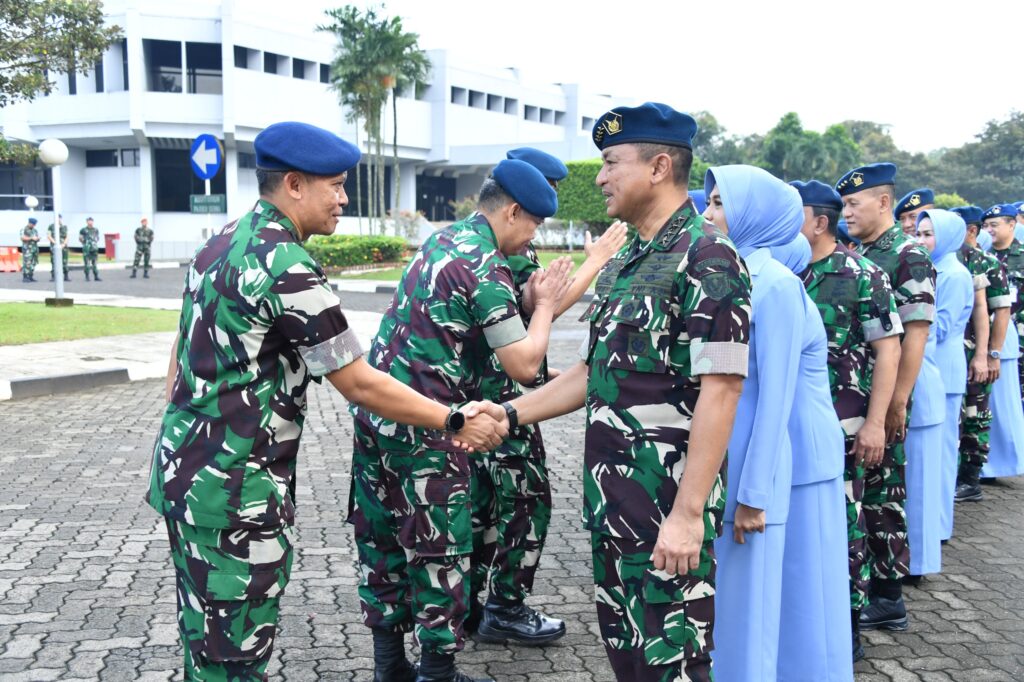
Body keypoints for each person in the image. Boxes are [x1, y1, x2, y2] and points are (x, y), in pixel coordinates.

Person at [145, 121, 507, 682]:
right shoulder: (286, 265)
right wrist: (453, 417)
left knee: (205, 640)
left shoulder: (221, 241)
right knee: (235, 658)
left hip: (186, 477)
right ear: (294, 184)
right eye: (334, 186)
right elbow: (359, 382)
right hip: (236, 495)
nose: (343, 199)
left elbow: (179, 354)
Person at [495, 102, 752, 682]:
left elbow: (724, 388)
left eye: (611, 162)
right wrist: (509, 414)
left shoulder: (709, 257)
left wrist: (688, 515)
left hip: (667, 508)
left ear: (659, 167)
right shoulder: (624, 261)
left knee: (674, 664)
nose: (600, 177)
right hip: (615, 508)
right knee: (629, 660)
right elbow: (592, 375)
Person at [350, 158, 572, 682]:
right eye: (534, 224)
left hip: (381, 415)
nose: (533, 237)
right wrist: (543, 305)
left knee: (381, 539)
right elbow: (523, 363)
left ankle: (389, 665)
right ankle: (437, 672)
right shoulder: (486, 265)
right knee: (440, 548)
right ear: (514, 211)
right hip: (433, 423)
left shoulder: (446, 242)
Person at [469, 146, 628, 646]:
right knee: (526, 498)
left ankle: (474, 608)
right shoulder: (505, 247)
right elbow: (537, 321)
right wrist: (597, 261)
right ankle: (503, 607)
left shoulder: (483, 240)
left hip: (484, 394)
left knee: (485, 507)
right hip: (495, 394)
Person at [790, 179, 902, 662]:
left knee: (844, 523)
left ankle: (847, 622)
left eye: (795, 213)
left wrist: (877, 422)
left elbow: (888, 348)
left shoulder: (861, 273)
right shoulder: (783, 271)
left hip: (846, 424)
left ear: (819, 222)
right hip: (794, 425)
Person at [702, 165, 804, 682]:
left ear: (752, 214)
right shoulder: (725, 276)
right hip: (711, 465)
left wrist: (754, 493)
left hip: (748, 473)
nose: (707, 214)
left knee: (747, 621)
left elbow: (777, 395)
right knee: (717, 618)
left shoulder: (778, 286)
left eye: (720, 204)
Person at [836, 162, 936, 631]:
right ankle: (875, 588)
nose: (846, 212)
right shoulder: (867, 251)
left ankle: (889, 595)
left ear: (882, 202)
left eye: (854, 203)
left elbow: (914, 336)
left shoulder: (906, 255)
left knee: (883, 495)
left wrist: (896, 403)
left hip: (885, 395)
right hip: (863, 394)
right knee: (870, 489)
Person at [769, 233, 854, 682]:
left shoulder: (783, 292)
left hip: (805, 447)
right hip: (796, 445)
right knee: (797, 574)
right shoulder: (789, 290)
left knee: (810, 574)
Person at [914, 210, 972, 549]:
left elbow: (943, 325)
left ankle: (938, 526)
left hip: (943, 369)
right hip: (935, 364)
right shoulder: (937, 269)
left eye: (928, 234)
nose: (921, 241)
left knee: (943, 454)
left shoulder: (953, 274)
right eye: (919, 234)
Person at [952, 205, 1010, 501]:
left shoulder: (986, 263)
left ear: (970, 231)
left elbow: (1001, 312)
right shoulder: (946, 260)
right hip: (953, 353)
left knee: (976, 414)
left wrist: (992, 354)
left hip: (978, 350)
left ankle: (971, 478)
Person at [984, 204, 1024, 479]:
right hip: (997, 336)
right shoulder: (984, 258)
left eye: (996, 224)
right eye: (987, 225)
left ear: (1012, 225)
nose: (990, 230)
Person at [47, 214, 70, 282]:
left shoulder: (64, 227)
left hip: (63, 247)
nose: (58, 219)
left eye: (59, 218)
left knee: (64, 261)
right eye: (57, 218)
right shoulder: (51, 226)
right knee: (54, 261)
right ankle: (53, 276)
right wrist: (55, 243)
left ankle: (66, 275)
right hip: (54, 246)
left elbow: (67, 236)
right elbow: (49, 236)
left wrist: (64, 244)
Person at [79, 217, 102, 282]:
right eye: (89, 221)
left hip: (94, 248)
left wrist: (94, 243)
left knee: (94, 263)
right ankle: (87, 276)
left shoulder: (95, 230)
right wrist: (85, 243)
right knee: (87, 263)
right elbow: (80, 238)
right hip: (87, 248)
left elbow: (97, 238)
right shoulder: (83, 230)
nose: (90, 222)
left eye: (91, 221)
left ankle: (96, 276)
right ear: (87, 222)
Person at [20, 217, 40, 283]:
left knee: (33, 263)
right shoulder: (24, 229)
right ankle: (25, 277)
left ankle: (30, 276)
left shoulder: (35, 230)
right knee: (27, 263)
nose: (34, 225)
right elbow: (22, 238)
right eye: (33, 224)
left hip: (34, 249)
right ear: (29, 223)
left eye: (34, 224)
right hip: (27, 249)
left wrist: (37, 238)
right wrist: (32, 238)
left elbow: (36, 237)